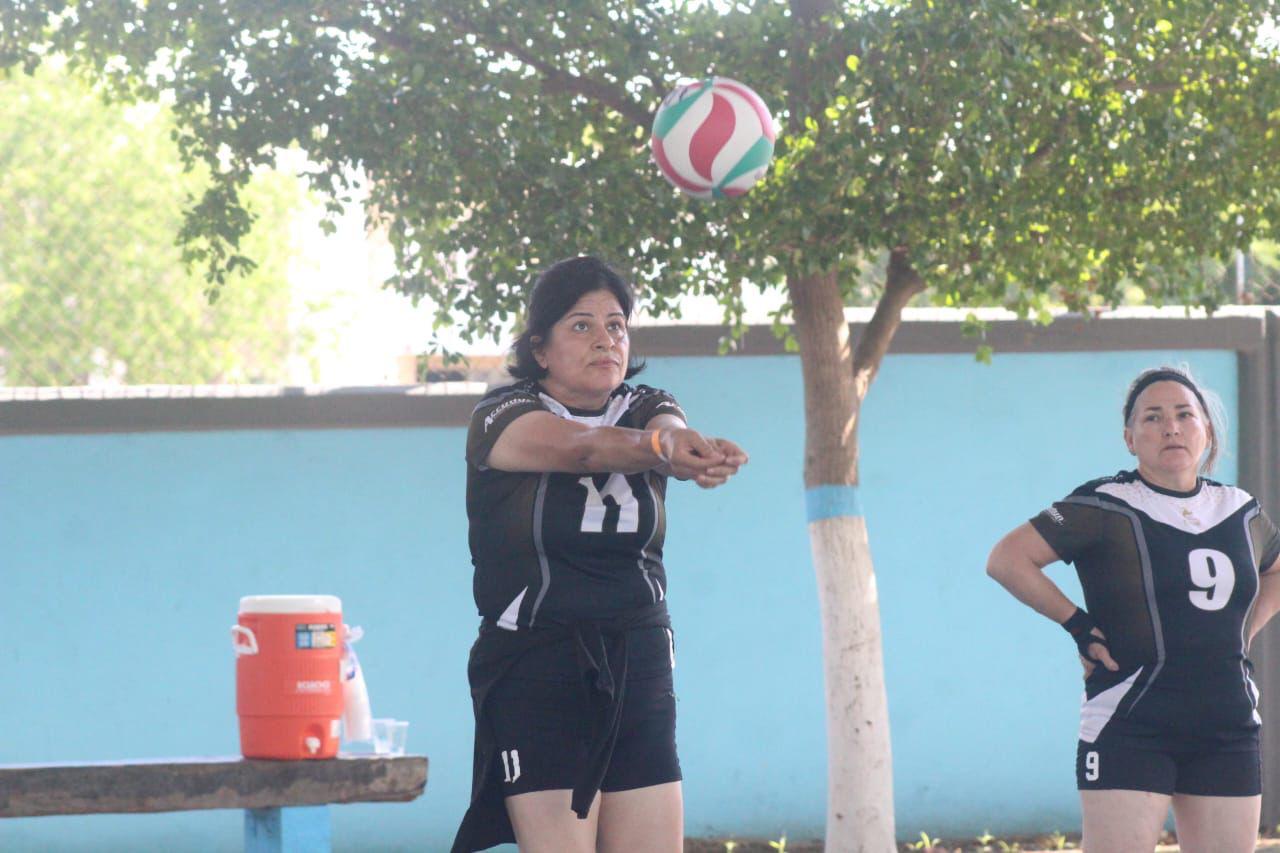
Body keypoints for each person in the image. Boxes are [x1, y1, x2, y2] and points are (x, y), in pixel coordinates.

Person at [451, 255, 748, 853]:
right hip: (538, 658)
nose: (604, 340)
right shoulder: (502, 415)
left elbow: (667, 428)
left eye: (616, 325)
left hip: (638, 653)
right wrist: (662, 445)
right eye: (581, 325)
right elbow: (583, 449)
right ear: (540, 348)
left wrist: (692, 452)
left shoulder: (647, 405)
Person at [987, 366, 1280, 853]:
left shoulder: (1241, 509)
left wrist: (1244, 631)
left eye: (1185, 414)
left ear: (1205, 429)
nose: (1171, 427)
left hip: (1226, 722)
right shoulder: (1103, 503)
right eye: (1153, 417)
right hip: (1131, 720)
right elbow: (1007, 559)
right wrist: (1078, 626)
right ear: (1129, 438)